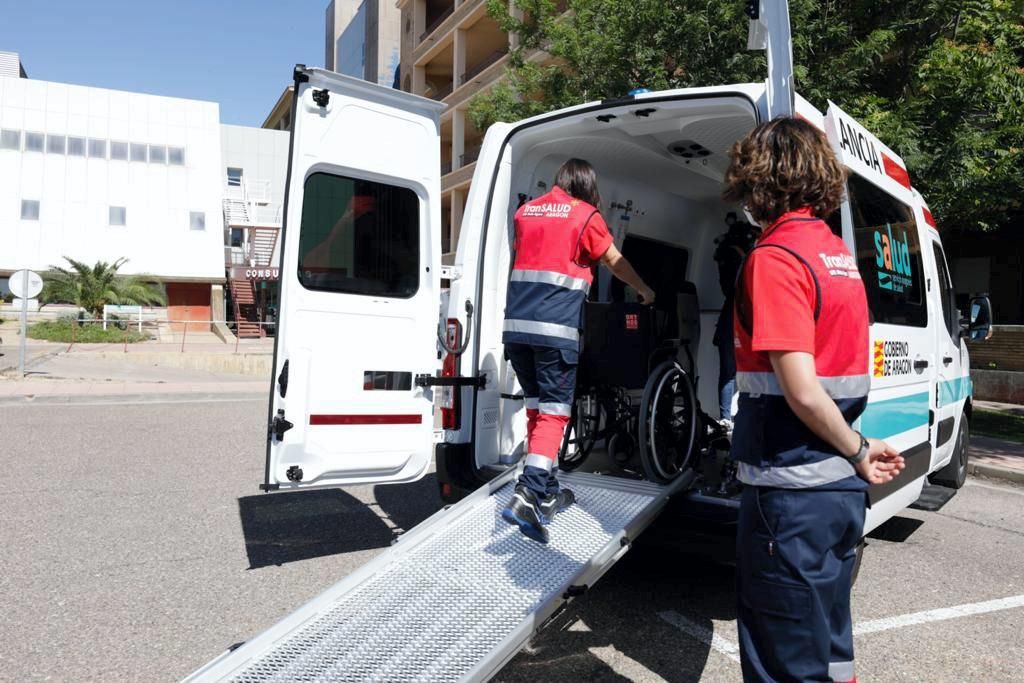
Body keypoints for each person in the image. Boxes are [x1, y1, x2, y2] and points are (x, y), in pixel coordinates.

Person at [722, 118, 906, 682]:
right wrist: (855, 450)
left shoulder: (777, 258)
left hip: (790, 494)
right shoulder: (837, 255)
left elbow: (801, 388)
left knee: (784, 662)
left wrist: (856, 449)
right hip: (835, 499)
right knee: (829, 645)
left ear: (759, 181)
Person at [502, 158, 655, 543]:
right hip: (554, 331)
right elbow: (614, 261)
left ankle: (548, 489)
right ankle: (530, 492)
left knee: (538, 409)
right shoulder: (585, 216)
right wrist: (644, 289)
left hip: (516, 330)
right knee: (555, 414)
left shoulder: (526, 211)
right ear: (587, 184)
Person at [712, 213, 759, 428]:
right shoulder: (750, 260)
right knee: (747, 376)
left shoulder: (725, 258)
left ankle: (725, 419)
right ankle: (741, 420)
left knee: (727, 374)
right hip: (743, 325)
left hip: (726, 324)